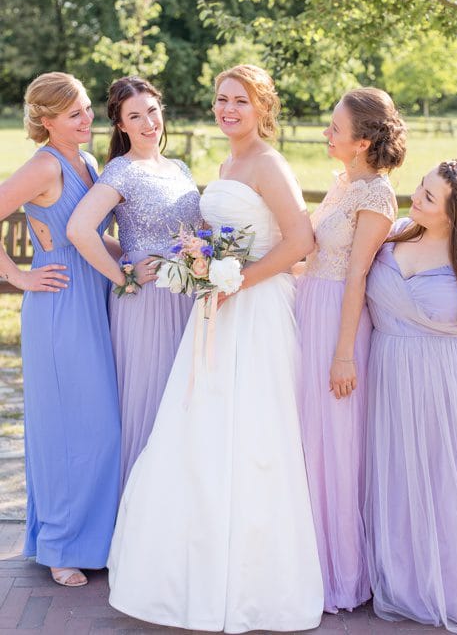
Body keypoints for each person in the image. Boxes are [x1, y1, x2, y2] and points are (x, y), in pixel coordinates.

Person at [106, 64, 324, 632]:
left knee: (252, 435)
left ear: (262, 109)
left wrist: (235, 281)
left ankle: (251, 584)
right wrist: (204, 271)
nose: (228, 110)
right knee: (197, 429)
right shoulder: (225, 162)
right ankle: (190, 575)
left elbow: (300, 240)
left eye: (240, 102)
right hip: (215, 309)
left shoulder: (269, 163)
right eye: (221, 100)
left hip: (255, 311)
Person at [364, 159, 457, 633]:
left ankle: (447, 585)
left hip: (453, 380)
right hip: (390, 372)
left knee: (448, 483)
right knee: (399, 475)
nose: (416, 198)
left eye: (430, 196)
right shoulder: (394, 234)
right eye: (420, 188)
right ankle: (403, 582)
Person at [0, 72, 121, 587]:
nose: (89, 119)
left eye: (89, 108)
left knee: (103, 429)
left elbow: (94, 235)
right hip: (58, 305)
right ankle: (59, 546)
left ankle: (94, 538)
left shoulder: (87, 162)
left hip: (95, 298)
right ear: (46, 122)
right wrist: (17, 274)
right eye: (75, 114)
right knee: (67, 428)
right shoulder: (43, 166)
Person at [295, 87, 406, 613]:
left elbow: (357, 274)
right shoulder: (343, 183)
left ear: (363, 141)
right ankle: (303, 557)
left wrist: (344, 355)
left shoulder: (376, 197)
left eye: (335, 128)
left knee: (334, 442)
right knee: (306, 437)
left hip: (341, 321)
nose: (327, 133)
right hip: (309, 307)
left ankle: (338, 572)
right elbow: (311, 254)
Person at [67, 76, 201, 492]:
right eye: (135, 117)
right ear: (121, 125)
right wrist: (122, 274)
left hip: (187, 298)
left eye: (153, 111)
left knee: (184, 403)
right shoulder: (121, 171)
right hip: (145, 304)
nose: (148, 123)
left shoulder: (178, 167)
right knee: (150, 402)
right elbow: (79, 229)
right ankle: (134, 520)